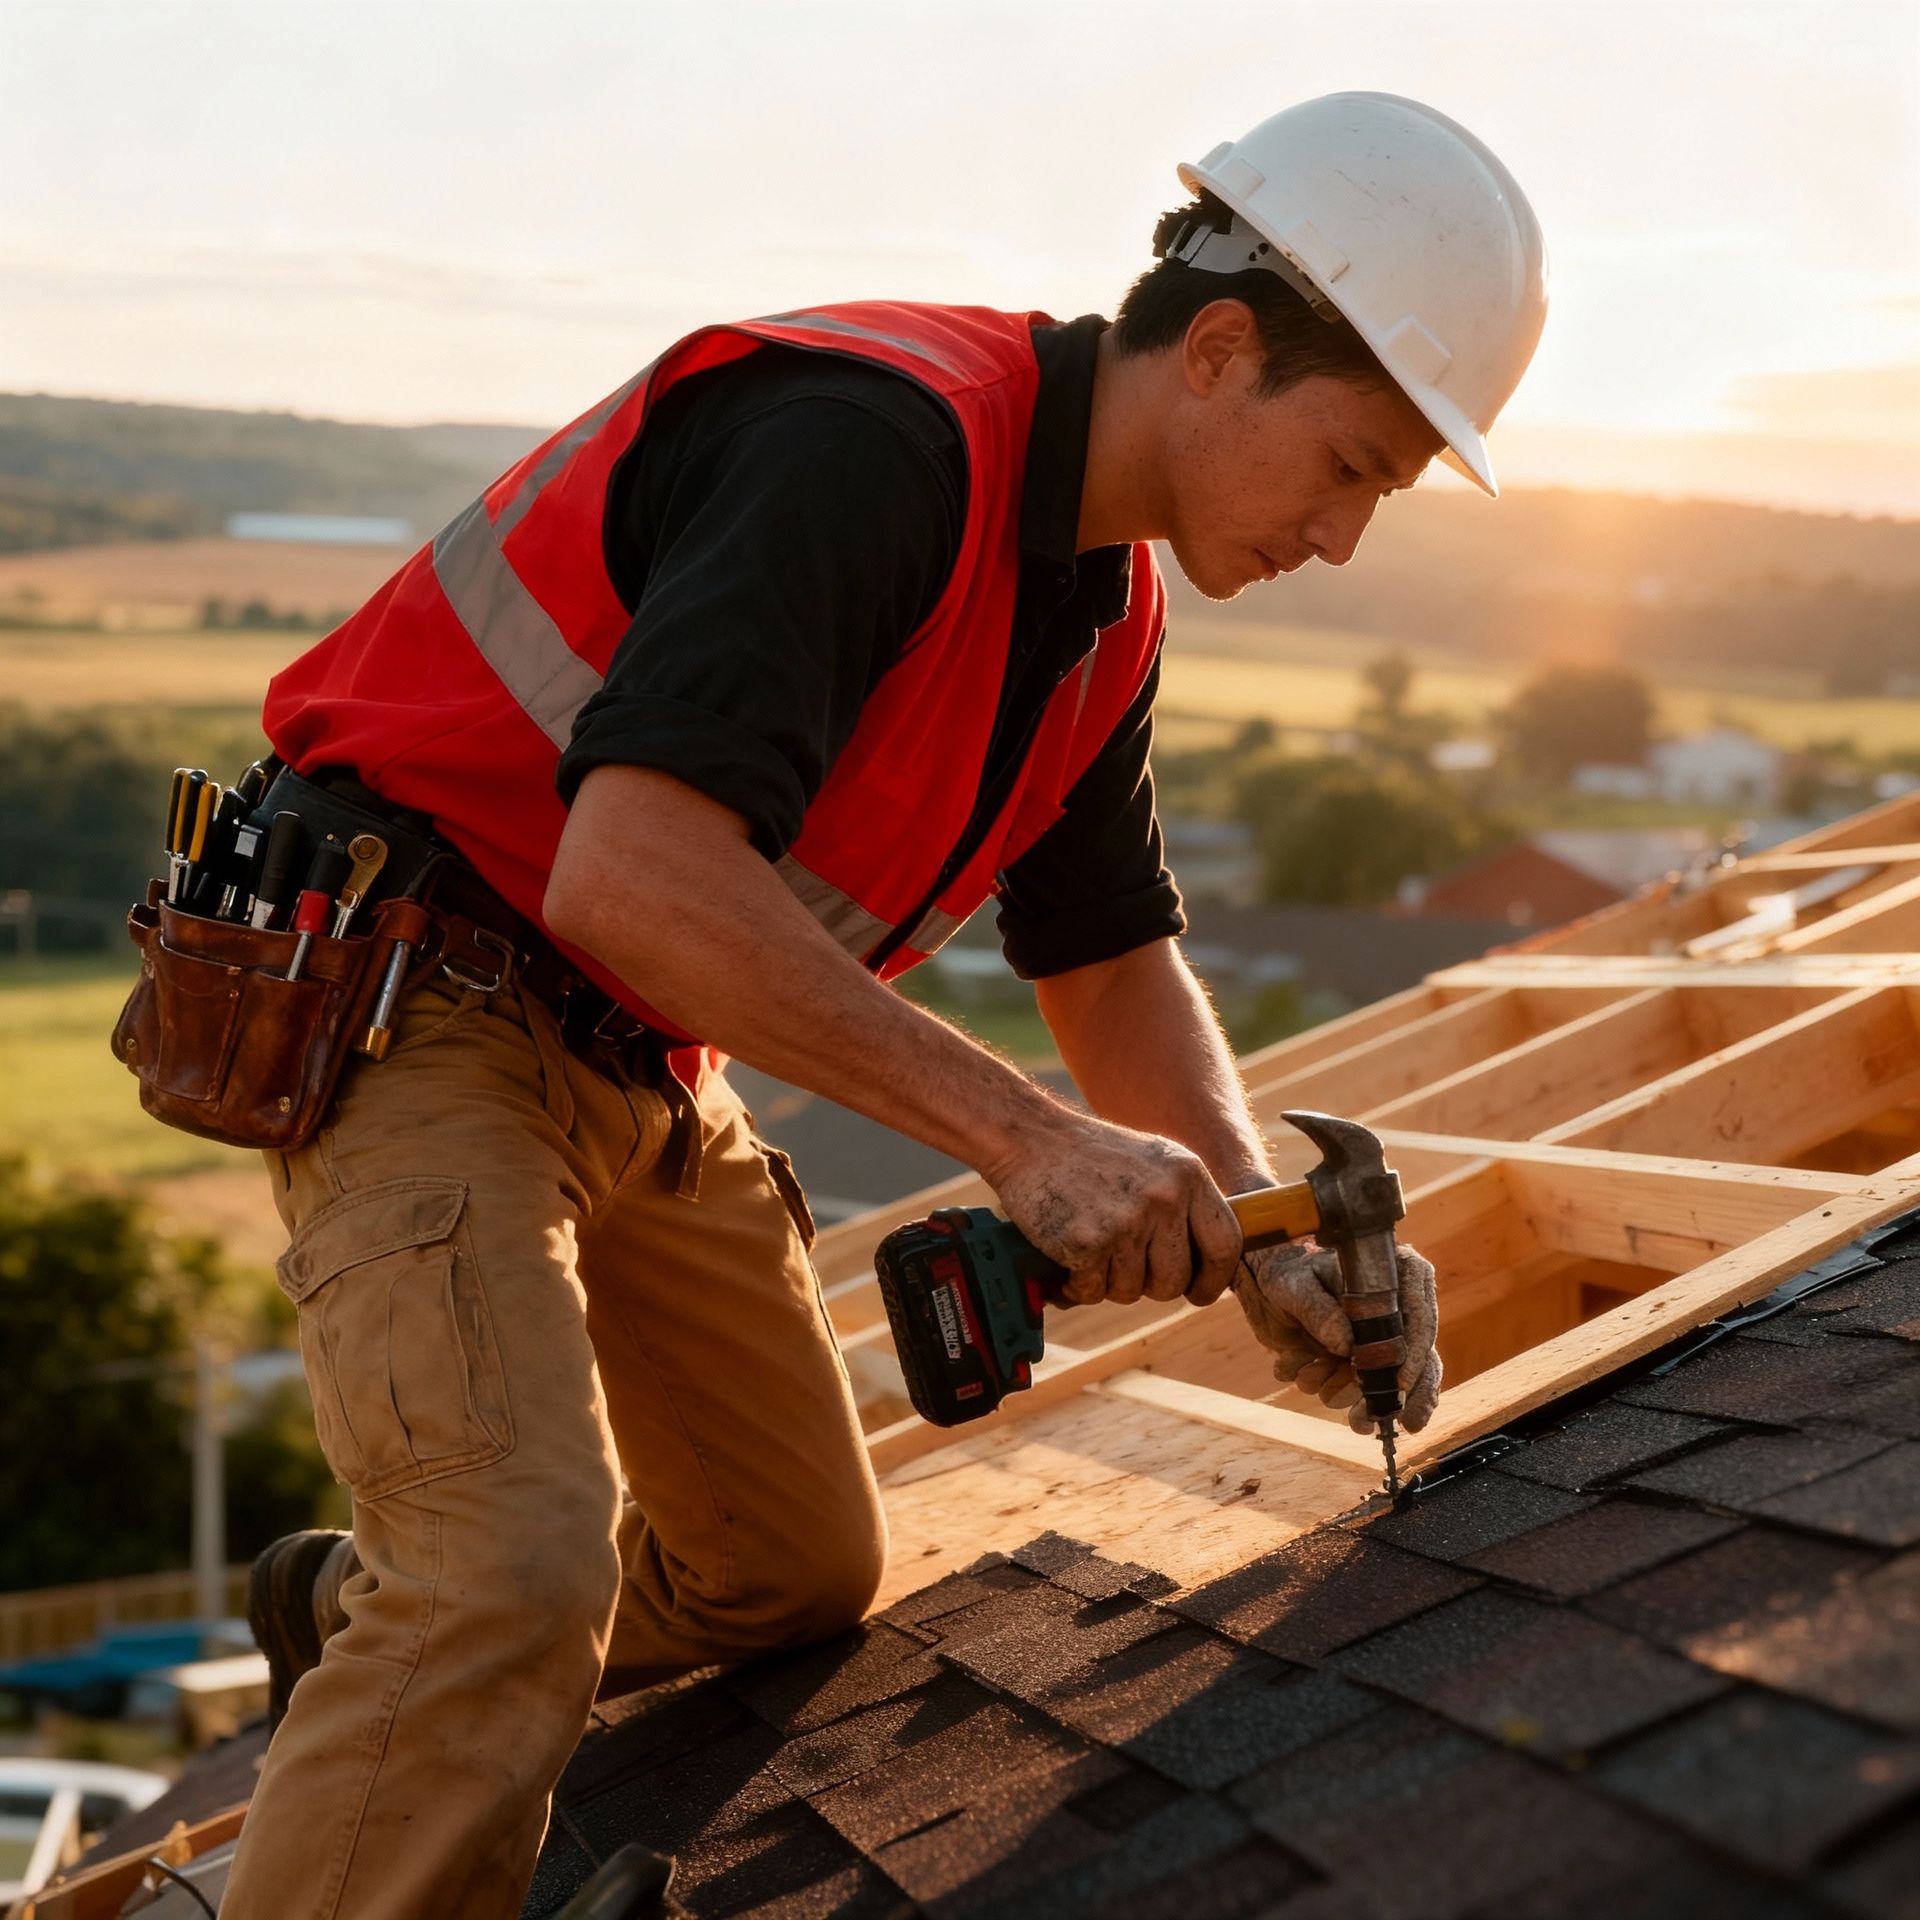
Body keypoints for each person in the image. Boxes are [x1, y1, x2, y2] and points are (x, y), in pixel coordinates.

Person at [225, 91, 1546, 1920]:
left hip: (634, 1049)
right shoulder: (874, 445)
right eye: (1349, 468)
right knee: (504, 1587)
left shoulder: (1105, 615)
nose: (1343, 535)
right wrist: (1025, 1139)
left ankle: (352, 1618)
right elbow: (633, 873)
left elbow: (1103, 953)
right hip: (419, 991)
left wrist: (1264, 1231)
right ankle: (417, 1661)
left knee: (788, 1571)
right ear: (1222, 351)